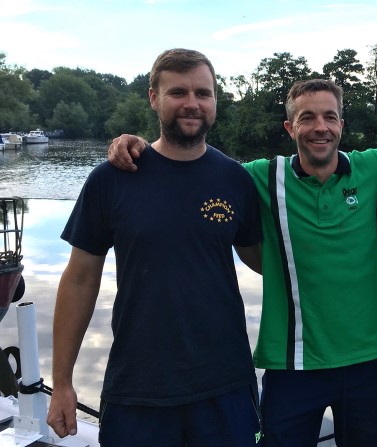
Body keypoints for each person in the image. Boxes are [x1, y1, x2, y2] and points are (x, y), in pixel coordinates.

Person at [108, 79, 377, 446]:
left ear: (342, 124)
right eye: (307, 118)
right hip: (292, 367)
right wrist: (141, 148)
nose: (320, 127)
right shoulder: (259, 177)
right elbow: (193, 166)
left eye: (329, 117)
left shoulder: (374, 167)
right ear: (289, 126)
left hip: (372, 363)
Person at [46, 48, 263, 446]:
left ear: (216, 100)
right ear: (153, 98)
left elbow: (265, 261)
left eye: (203, 93)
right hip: (138, 387)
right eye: (178, 92)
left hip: (225, 384)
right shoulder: (112, 179)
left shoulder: (235, 179)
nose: (192, 103)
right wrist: (62, 383)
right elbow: (78, 280)